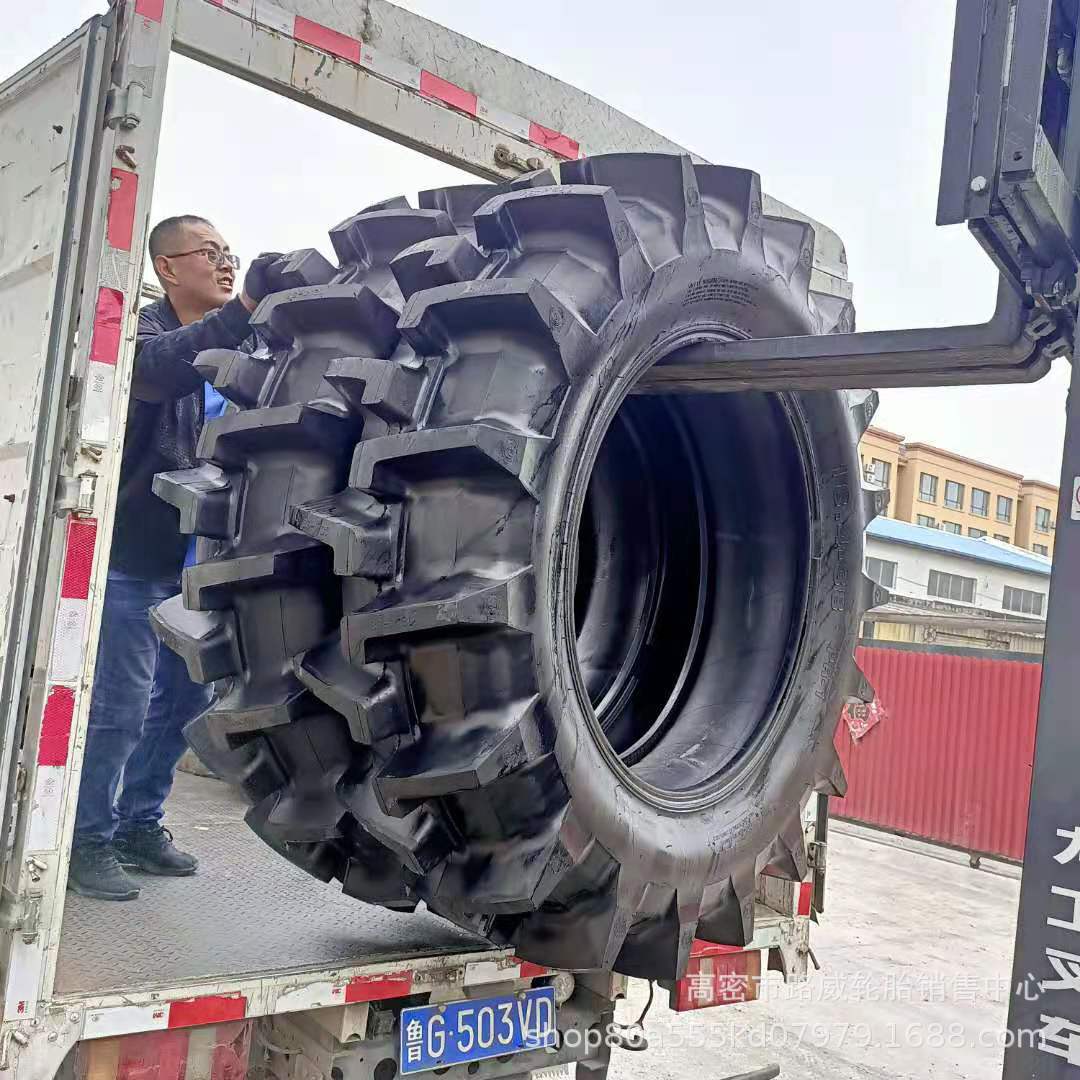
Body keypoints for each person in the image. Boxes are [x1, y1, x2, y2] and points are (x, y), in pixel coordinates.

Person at [68, 215, 282, 900]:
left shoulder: (250, 351)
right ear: (168, 266)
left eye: (231, 253)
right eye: (213, 253)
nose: (225, 264)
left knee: (186, 704)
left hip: (203, 568)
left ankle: (139, 825)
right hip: (138, 560)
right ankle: (84, 841)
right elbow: (162, 371)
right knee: (121, 706)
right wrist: (245, 307)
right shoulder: (146, 338)